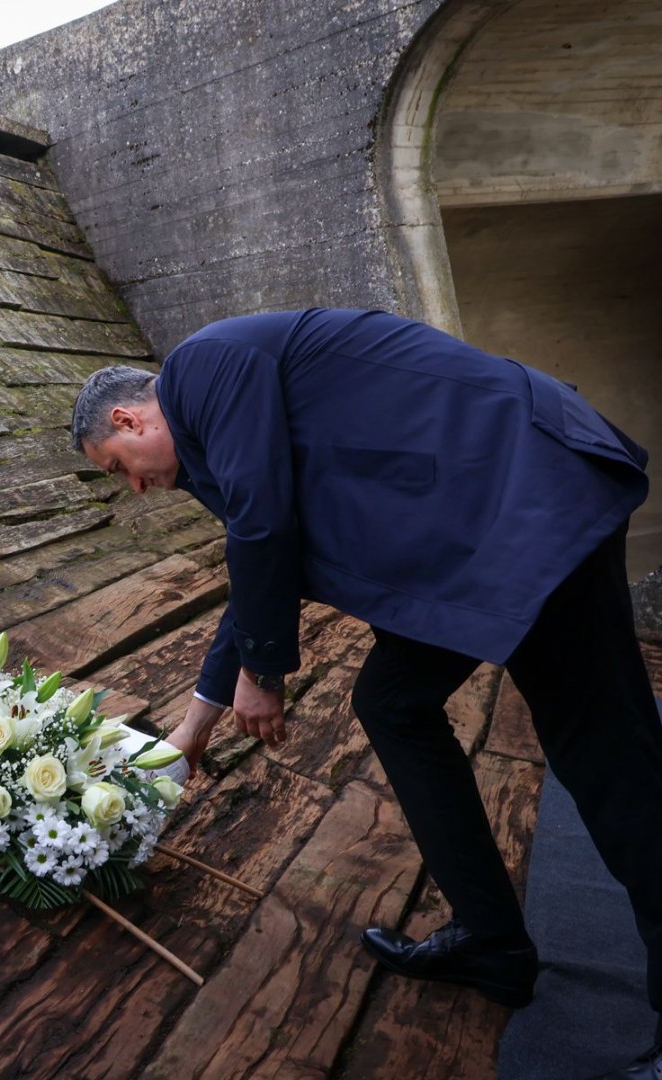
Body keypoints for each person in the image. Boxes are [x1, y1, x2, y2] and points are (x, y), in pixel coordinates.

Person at [71, 308, 662, 1080]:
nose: (138, 486)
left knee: (605, 757)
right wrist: (191, 733)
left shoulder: (201, 365)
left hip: (523, 494)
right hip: (471, 536)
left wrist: (264, 673)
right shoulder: (212, 451)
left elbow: (263, 524)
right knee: (392, 703)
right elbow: (253, 576)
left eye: (119, 466)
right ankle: (492, 944)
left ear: (127, 417)